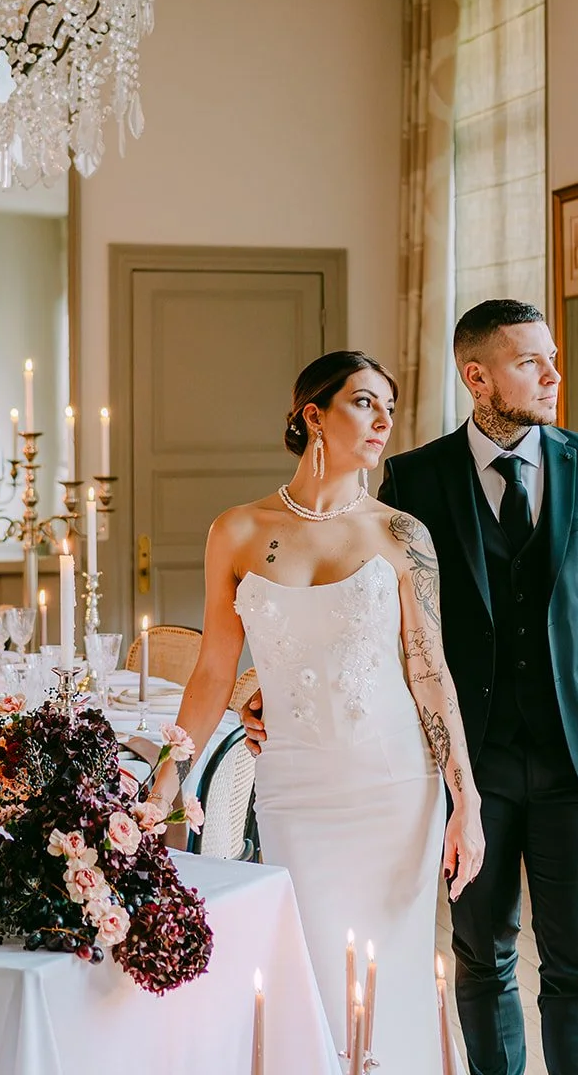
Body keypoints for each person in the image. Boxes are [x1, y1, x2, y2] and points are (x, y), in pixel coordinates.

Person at [245, 301, 578, 1075]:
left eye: (550, 358)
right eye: (529, 361)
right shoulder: (414, 478)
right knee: (482, 959)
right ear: (477, 376)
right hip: (463, 764)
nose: (553, 373)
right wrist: (271, 682)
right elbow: (366, 611)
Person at [150, 350, 484, 1073]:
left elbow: (431, 674)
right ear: (314, 415)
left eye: (389, 406)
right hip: (297, 788)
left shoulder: (402, 536)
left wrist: (467, 796)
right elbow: (215, 667)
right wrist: (167, 777)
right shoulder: (235, 531)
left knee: (389, 976)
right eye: (364, 402)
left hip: (396, 788)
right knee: (311, 973)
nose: (383, 419)